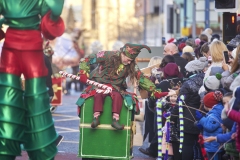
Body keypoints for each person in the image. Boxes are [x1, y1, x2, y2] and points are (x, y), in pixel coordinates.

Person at [0, 1, 65, 159]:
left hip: (31, 47)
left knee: (35, 106)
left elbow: (49, 27)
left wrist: (54, 14)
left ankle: (43, 145)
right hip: (12, 48)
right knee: (10, 105)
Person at [76, 43, 175, 130]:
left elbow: (141, 78)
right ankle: (96, 118)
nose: (129, 62)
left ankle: (115, 120)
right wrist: (83, 73)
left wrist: (155, 91)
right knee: (98, 94)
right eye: (128, 59)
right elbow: (86, 59)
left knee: (118, 96)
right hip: (99, 83)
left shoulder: (131, 64)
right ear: (123, 53)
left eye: (131, 60)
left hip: (117, 87)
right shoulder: (107, 55)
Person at [196, 91, 224, 160]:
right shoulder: (213, 112)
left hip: (214, 146)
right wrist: (201, 124)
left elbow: (210, 127)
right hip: (212, 145)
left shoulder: (215, 114)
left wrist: (201, 119)